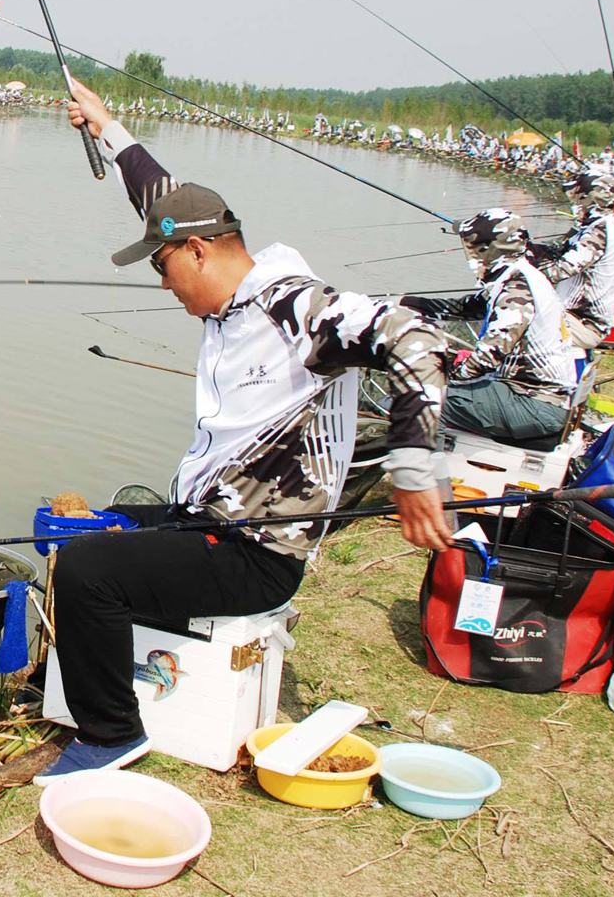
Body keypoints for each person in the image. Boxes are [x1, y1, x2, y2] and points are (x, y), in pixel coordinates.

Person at [31, 82, 452, 787]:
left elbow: (413, 337)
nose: (163, 285)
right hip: (209, 522)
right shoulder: (226, 292)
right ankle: (84, 684)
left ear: (198, 251)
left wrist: (413, 470)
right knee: (88, 526)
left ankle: (111, 734)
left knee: (85, 571)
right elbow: (159, 195)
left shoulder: (294, 305)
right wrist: (109, 128)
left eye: (164, 266)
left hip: (256, 551)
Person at [400, 210, 577, 449]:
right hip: (532, 395)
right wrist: (406, 303)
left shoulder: (516, 290)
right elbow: (467, 308)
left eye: (472, 246)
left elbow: (487, 357)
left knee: (425, 401)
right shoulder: (520, 275)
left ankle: (430, 480)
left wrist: (443, 371)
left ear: (489, 250)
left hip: (534, 404)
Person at [541, 174, 614, 348]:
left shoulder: (600, 231)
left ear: (589, 199)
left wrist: (521, 271)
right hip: (574, 317)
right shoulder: (600, 225)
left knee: (518, 316)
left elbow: (561, 270)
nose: (573, 205)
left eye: (576, 199)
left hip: (584, 323)